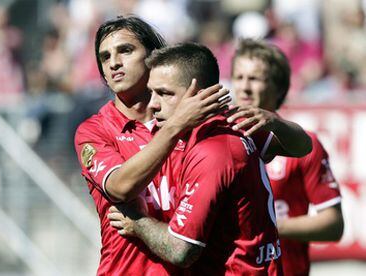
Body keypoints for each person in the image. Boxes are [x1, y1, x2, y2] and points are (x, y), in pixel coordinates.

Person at [107, 42, 312, 275]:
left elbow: (180, 250)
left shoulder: (216, 148)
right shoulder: (219, 125)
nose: (153, 104)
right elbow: (303, 147)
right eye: (151, 92)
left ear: (199, 95)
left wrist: (137, 222)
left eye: (164, 93)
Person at [74, 16, 231, 275]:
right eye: (104, 57)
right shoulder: (94, 130)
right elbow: (120, 188)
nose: (113, 63)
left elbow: (297, 148)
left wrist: (273, 124)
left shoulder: (194, 117)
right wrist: (176, 126)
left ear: (152, 56)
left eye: (125, 50)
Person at [229, 38, 344, 275]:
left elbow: (333, 225)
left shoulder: (302, 146)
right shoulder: (218, 142)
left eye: (255, 78)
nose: (244, 87)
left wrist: (265, 225)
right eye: (239, 77)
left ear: (279, 88)